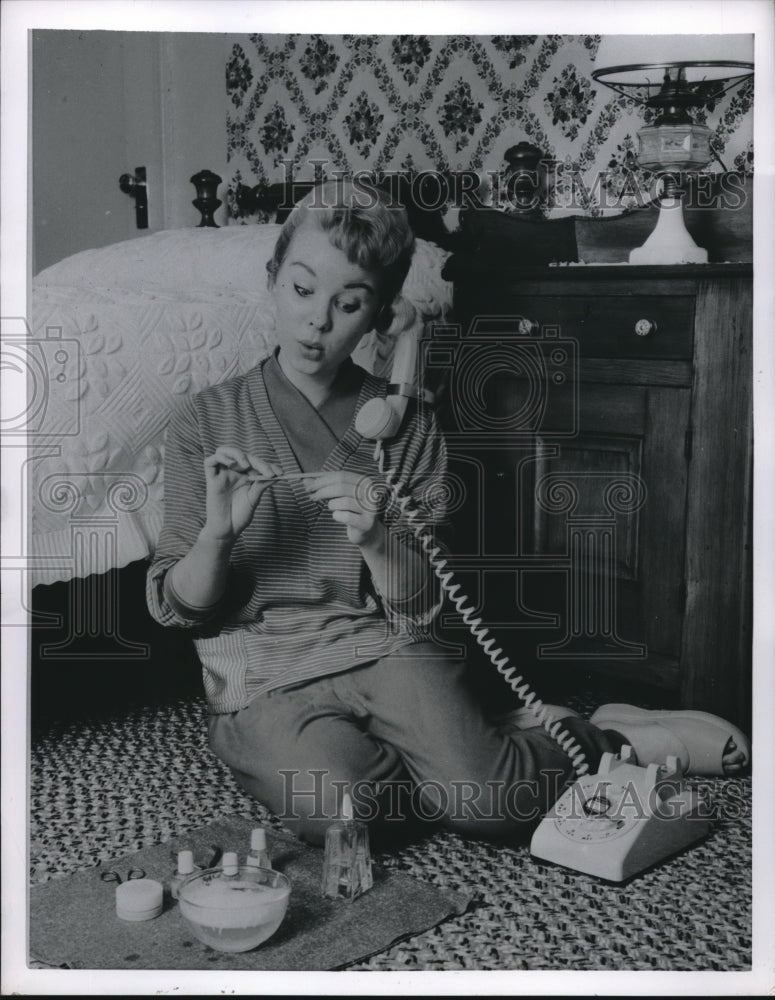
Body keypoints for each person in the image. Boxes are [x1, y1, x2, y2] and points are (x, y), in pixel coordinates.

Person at [147, 179, 749, 846]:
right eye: (301, 290)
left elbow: (421, 606)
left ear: (382, 316)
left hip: (388, 648)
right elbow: (180, 606)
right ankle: (486, 735)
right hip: (263, 673)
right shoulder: (205, 419)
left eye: (349, 303)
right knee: (341, 814)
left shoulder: (401, 426)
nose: (318, 321)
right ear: (271, 279)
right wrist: (217, 536)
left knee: (489, 803)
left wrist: (378, 540)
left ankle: (608, 737)